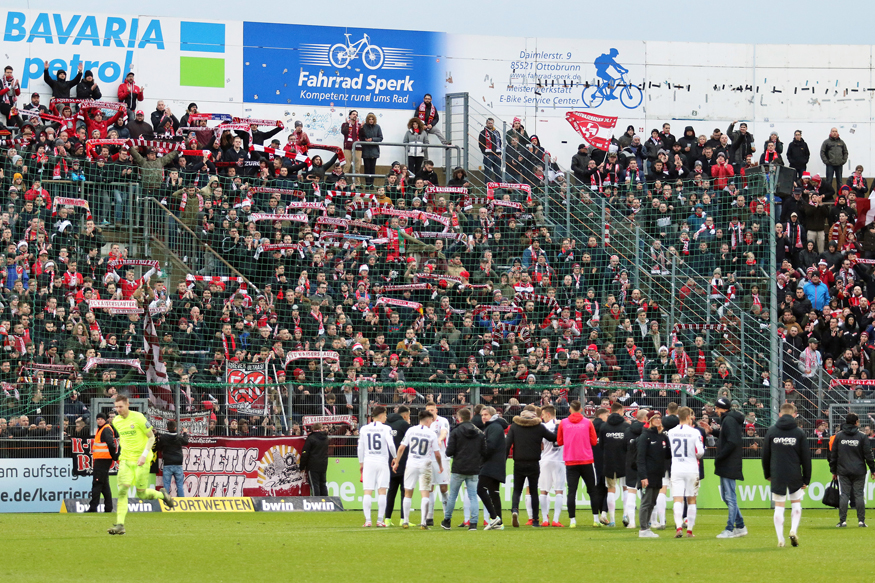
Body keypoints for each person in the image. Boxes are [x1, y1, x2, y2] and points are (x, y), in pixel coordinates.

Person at [108, 395, 175, 535]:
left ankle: (162, 495)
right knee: (122, 491)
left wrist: (144, 455)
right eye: (116, 407)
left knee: (142, 494)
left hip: (141, 460)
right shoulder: (116, 421)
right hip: (126, 459)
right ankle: (120, 524)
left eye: (120, 406)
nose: (118, 410)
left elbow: (151, 437)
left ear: (127, 404)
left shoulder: (138, 417)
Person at [762, 402, 811, 548]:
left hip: (777, 473)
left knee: (779, 506)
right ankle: (793, 530)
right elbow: (806, 458)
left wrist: (767, 474)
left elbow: (765, 455)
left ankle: (780, 539)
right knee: (796, 504)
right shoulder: (799, 433)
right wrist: (806, 478)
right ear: (794, 415)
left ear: (780, 415)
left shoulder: (771, 431)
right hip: (794, 472)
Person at [505, 405, 557, 527]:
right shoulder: (539, 427)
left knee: (517, 489)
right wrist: (558, 427)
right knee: (533, 491)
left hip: (518, 462)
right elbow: (552, 438)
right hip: (534, 462)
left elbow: (507, 444)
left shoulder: (514, 427)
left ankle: (514, 510)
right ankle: (535, 520)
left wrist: (503, 460)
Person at [392, 408, 443, 530]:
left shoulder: (411, 430)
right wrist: (440, 466)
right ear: (427, 420)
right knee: (425, 492)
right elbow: (437, 453)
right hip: (425, 464)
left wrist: (397, 462)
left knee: (408, 492)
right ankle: (423, 522)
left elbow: (401, 448)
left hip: (411, 463)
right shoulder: (431, 433)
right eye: (431, 420)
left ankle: (405, 521)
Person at [557, 400, 600, 528]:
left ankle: (572, 521)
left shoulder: (563, 423)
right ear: (581, 409)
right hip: (586, 460)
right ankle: (596, 519)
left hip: (571, 461)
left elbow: (559, 441)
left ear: (570, 409)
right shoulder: (588, 423)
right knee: (592, 490)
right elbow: (593, 441)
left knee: (572, 491)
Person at [441, 407, 485, 531]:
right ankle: (474, 523)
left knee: (453, 495)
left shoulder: (455, 431)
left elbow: (449, 452)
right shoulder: (479, 432)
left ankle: (447, 520)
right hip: (474, 468)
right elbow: (484, 451)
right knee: (473, 496)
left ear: (459, 418)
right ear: (470, 417)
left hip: (458, 468)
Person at [829, 412, 875, 528]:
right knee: (859, 495)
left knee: (844, 494)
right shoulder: (862, 436)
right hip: (859, 470)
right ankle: (861, 521)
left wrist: (833, 471)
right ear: (856, 422)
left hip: (843, 470)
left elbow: (833, 455)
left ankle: (842, 521)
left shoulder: (839, 436)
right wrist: (873, 470)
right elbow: (868, 455)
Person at [666, 406, 704, 538]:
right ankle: (690, 530)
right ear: (688, 417)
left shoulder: (671, 432)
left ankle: (678, 527)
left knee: (677, 498)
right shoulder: (695, 432)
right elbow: (700, 452)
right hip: (691, 468)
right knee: (692, 499)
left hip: (676, 468)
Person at [713, 396, 747, 538]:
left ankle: (729, 528)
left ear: (722, 409)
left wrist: (720, 455)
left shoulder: (729, 420)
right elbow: (727, 437)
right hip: (728, 463)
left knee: (730, 497)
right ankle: (740, 526)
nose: (715, 411)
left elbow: (732, 442)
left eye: (716, 408)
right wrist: (712, 431)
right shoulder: (730, 420)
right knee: (727, 497)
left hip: (729, 463)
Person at [358, 405, 397, 527]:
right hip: (382, 461)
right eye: (385, 415)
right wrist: (395, 457)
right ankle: (380, 520)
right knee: (382, 491)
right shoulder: (386, 428)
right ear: (380, 416)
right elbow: (391, 445)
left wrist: (361, 463)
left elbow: (360, 447)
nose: (386, 417)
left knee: (368, 491)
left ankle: (368, 520)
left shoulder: (364, 429)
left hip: (369, 461)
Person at [637, 411, 670, 538]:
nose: (658, 420)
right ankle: (643, 529)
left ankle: (647, 527)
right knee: (646, 502)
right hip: (647, 475)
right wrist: (643, 476)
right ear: (649, 420)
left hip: (658, 475)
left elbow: (667, 454)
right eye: (655, 418)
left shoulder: (662, 436)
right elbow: (640, 458)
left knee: (652, 502)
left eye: (659, 418)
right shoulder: (645, 436)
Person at [599, 402, 627, 528]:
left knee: (611, 489)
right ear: (621, 411)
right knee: (626, 488)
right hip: (624, 461)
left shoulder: (604, 427)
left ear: (611, 411)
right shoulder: (626, 426)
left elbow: (601, 445)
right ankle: (626, 515)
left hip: (609, 461)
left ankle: (612, 520)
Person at [478, 406, 507, 530]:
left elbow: (490, 446)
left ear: (492, 415)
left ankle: (494, 517)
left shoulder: (494, 427)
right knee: (494, 493)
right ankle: (498, 523)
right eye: (482, 415)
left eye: (486, 414)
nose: (483, 417)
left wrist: (480, 456)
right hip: (496, 464)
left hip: (491, 464)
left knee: (480, 489)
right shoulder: (494, 426)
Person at [384, 406, 411, 527]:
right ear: (405, 415)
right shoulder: (404, 425)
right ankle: (403, 519)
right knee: (404, 491)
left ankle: (387, 519)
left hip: (389, 461)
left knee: (391, 491)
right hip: (403, 461)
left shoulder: (386, 424)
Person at [425, 401, 451, 527]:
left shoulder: (442, 421)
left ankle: (447, 516)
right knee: (429, 487)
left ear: (436, 410)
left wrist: (440, 439)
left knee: (443, 488)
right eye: (428, 410)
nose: (430, 412)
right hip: (428, 459)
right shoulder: (425, 424)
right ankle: (429, 516)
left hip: (443, 458)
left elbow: (444, 432)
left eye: (432, 410)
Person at [538, 405, 565, 527]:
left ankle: (544, 519)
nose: (542, 418)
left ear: (548, 414)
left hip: (545, 460)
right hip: (559, 460)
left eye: (543, 415)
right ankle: (556, 519)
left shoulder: (543, 427)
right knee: (559, 491)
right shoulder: (563, 425)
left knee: (544, 491)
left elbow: (541, 446)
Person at [88, 412, 117, 513]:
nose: (99, 420)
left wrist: (114, 456)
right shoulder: (102, 429)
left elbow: (111, 444)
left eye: (101, 419)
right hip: (102, 460)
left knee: (97, 483)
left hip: (103, 460)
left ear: (105, 420)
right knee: (104, 485)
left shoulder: (106, 429)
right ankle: (108, 508)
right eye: (98, 419)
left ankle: (93, 508)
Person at [156, 420, 189, 497]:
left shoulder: (163, 437)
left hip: (167, 463)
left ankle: (165, 501)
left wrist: (157, 435)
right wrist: (185, 433)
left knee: (166, 485)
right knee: (180, 485)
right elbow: (186, 442)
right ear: (175, 428)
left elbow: (158, 447)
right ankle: (181, 502)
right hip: (178, 463)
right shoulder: (179, 437)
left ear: (167, 428)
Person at [300, 422, 329, 497]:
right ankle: (326, 502)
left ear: (313, 428)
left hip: (313, 464)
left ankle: (316, 503)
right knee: (323, 484)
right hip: (323, 464)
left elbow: (305, 453)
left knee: (314, 484)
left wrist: (302, 466)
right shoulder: (326, 438)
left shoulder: (311, 438)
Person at [360, 112, 383, 188]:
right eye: (369, 119)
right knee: (366, 168)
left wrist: (372, 139)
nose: (371, 120)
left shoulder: (377, 127)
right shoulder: (364, 127)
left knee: (372, 168)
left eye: (372, 119)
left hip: (374, 151)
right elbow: (360, 136)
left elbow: (380, 138)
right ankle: (367, 184)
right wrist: (365, 139)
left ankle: (371, 184)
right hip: (366, 150)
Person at [478, 118, 502, 184]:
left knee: (498, 172)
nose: (490, 124)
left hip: (497, 155)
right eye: (489, 123)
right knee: (488, 172)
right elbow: (481, 144)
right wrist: (485, 154)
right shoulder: (483, 133)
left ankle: (500, 187)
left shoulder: (497, 133)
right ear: (486, 124)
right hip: (488, 156)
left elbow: (500, 143)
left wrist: (499, 153)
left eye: (491, 123)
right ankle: (487, 187)